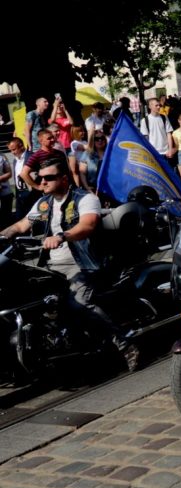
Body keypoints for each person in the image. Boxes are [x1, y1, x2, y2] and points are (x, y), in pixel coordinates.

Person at [0, 156, 140, 369]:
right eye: (40, 177)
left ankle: (125, 344)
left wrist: (62, 236)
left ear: (64, 179)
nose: (42, 181)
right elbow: (21, 225)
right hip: (51, 266)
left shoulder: (85, 199)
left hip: (82, 263)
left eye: (49, 178)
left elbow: (88, 225)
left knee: (79, 303)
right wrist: (3, 235)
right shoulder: (44, 203)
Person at [139, 98, 174, 162]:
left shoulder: (164, 117)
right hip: (153, 153)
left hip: (165, 152)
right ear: (150, 106)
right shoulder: (145, 121)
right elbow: (145, 138)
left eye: (159, 105)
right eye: (156, 105)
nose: (158, 107)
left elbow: (169, 134)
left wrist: (170, 149)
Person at [8, 138, 32, 220]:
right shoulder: (15, 160)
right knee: (19, 218)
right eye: (10, 150)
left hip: (31, 193)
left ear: (21, 146)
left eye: (14, 149)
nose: (12, 152)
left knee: (33, 218)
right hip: (20, 194)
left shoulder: (31, 156)